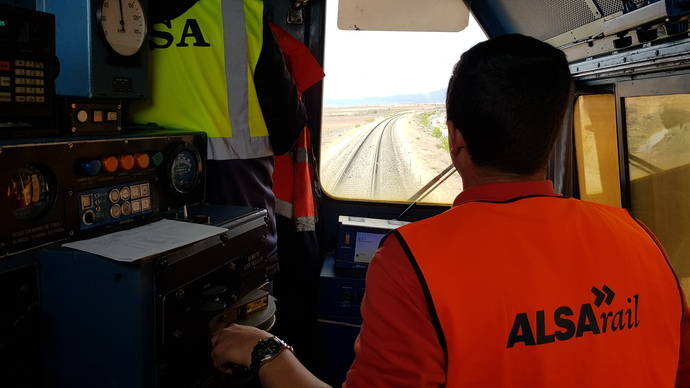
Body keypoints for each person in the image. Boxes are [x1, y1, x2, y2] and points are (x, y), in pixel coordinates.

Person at [211, 34, 690, 387]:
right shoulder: (639, 237)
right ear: (557, 132)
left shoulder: (413, 260)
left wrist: (267, 351)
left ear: (456, 140)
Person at [131, 0, 306, 262]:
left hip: (134, 179)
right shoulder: (237, 8)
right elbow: (288, 125)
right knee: (247, 285)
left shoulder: (115, 11)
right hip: (235, 183)